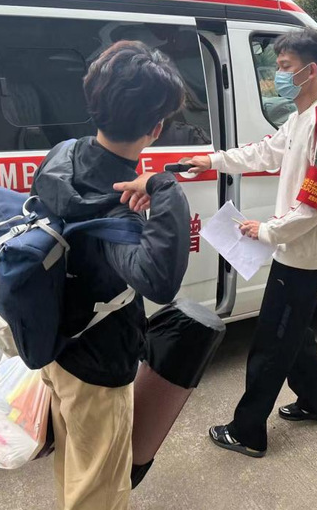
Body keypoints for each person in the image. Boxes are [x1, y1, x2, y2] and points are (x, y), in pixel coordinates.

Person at [30, 40, 191, 509]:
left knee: (74, 470)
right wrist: (164, 187)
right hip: (98, 366)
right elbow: (159, 281)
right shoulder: (114, 206)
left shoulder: (62, 155)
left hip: (57, 347)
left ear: (93, 100)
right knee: (100, 491)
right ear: (156, 128)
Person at [188, 29, 317, 458]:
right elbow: (263, 153)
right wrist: (212, 161)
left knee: (271, 344)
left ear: (310, 71)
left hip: (301, 256)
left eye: (284, 67)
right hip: (294, 251)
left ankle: (247, 432)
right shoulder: (299, 119)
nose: (277, 76)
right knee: (294, 331)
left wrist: (267, 231)